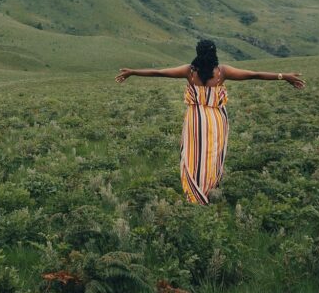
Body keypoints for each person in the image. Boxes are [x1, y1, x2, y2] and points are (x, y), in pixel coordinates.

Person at [115, 39, 305, 205]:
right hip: (215, 120)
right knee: (212, 155)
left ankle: (194, 194)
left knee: (192, 156)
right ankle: (209, 189)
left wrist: (132, 72)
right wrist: (283, 76)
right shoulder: (222, 72)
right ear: (214, 54)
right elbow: (254, 74)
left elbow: (158, 72)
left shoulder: (189, 72)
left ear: (198, 53)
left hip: (195, 119)